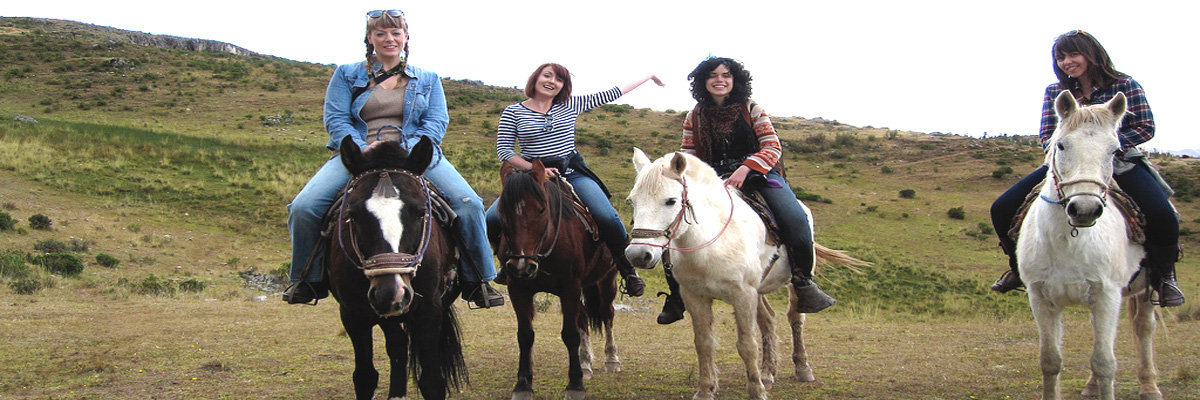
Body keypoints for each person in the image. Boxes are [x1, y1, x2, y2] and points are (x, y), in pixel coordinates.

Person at [283, 9, 504, 308]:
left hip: (414, 157)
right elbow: (335, 118)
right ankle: (306, 279)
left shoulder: (427, 79)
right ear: (369, 38)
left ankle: (478, 280)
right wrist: (361, 147)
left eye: (395, 33)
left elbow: (437, 122)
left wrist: (407, 149)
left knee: (469, 205)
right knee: (304, 207)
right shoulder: (347, 74)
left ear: (406, 37)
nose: (389, 39)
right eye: (381, 33)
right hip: (358, 157)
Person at [990, 30, 1184, 306]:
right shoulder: (1056, 92)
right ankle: (1018, 268)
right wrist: (1071, 150)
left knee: (1163, 215)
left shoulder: (1125, 85)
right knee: (1001, 208)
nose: (1067, 62)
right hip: (1068, 165)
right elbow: (1047, 134)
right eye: (1061, 57)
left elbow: (1146, 126)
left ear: (1092, 54)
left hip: (1119, 163)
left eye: (1073, 54)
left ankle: (1164, 277)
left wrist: (1105, 146)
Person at [656, 57, 836, 325]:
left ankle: (803, 282)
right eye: (713, 75)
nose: (720, 80)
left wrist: (746, 169)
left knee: (796, 219)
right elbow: (689, 154)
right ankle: (677, 294)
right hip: (714, 180)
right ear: (703, 82)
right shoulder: (694, 116)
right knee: (677, 225)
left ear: (735, 79)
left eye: (726, 75)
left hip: (760, 177)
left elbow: (772, 147)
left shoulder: (751, 109)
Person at [485, 63, 663, 297]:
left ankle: (628, 270)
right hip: (531, 176)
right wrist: (536, 169)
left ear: (563, 86)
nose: (552, 82)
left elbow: (612, 93)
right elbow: (505, 151)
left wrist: (648, 76)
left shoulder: (571, 104)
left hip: (571, 172)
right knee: (491, 217)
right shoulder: (513, 111)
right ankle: (506, 264)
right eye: (547, 76)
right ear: (535, 79)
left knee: (607, 216)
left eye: (559, 79)